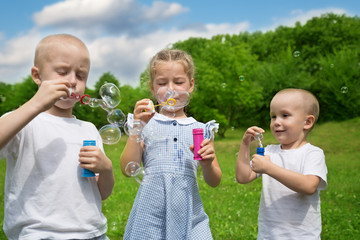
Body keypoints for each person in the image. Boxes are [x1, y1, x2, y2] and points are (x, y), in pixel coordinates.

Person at [0, 34, 114, 240]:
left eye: (80, 76)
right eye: (62, 72)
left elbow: (102, 193)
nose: (72, 81)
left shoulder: (88, 130)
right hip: (38, 234)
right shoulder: (24, 122)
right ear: (37, 75)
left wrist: (106, 170)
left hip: (92, 233)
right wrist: (35, 104)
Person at [120, 49, 222, 239]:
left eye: (178, 81)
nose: (170, 89)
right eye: (162, 83)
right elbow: (127, 168)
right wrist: (137, 128)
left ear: (191, 85)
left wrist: (208, 163)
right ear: (152, 88)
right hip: (150, 215)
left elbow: (214, 181)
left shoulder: (200, 129)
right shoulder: (144, 124)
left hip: (190, 215)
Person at [236, 88, 328, 239]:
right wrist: (245, 144)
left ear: (307, 122)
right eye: (273, 116)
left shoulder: (312, 153)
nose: (276, 122)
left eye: (285, 115)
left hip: (302, 235)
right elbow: (243, 177)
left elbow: (309, 186)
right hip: (269, 234)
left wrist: (269, 168)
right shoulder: (269, 152)